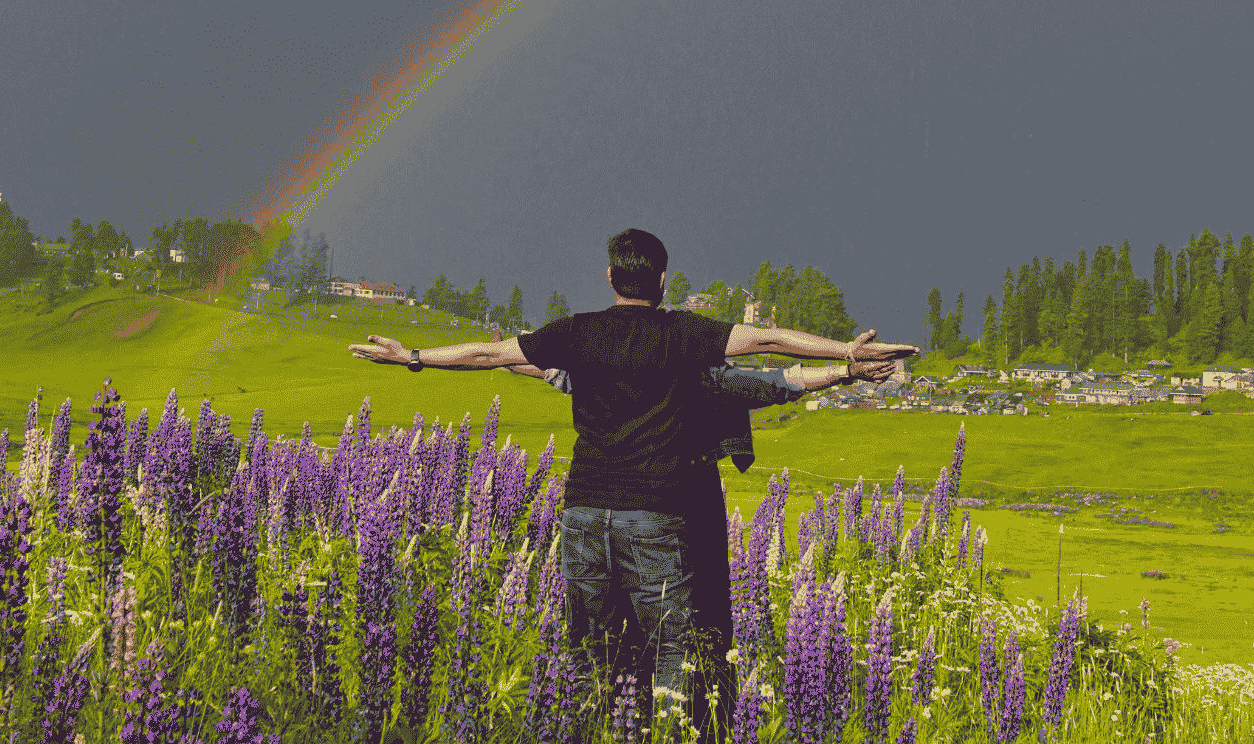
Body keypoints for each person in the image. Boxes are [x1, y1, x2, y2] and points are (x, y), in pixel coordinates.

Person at [346, 228, 915, 730]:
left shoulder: (579, 334)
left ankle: (589, 727)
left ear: (610, 276)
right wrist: (847, 354)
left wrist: (411, 355)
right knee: (671, 652)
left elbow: (490, 355)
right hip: (654, 515)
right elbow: (770, 348)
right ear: (662, 280)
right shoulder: (683, 336)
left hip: (583, 514)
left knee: (589, 653)